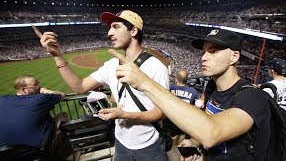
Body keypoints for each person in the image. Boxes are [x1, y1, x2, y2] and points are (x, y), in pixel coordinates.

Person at [107, 29, 271, 160]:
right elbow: (209, 127)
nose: (204, 57)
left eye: (213, 51)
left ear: (234, 57)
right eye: (204, 52)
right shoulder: (211, 88)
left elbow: (213, 133)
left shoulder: (253, 96)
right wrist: (195, 142)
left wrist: (144, 83)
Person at [37, 10, 169, 160]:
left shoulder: (156, 67)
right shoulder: (111, 65)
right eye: (110, 27)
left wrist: (124, 115)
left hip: (149, 145)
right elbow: (78, 87)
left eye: (116, 27)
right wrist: (57, 56)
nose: (109, 33)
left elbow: (161, 113)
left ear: (133, 31)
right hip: (121, 142)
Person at [0, 75, 68, 152]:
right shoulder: (40, 98)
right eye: (35, 85)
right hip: (35, 151)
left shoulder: (3, 99)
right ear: (23, 90)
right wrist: (46, 91)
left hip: (4, 153)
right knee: (63, 115)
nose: (39, 87)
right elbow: (62, 94)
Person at [163, 70, 199, 145]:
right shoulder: (193, 91)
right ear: (187, 80)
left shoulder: (169, 88)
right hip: (184, 123)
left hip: (169, 121)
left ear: (176, 79)